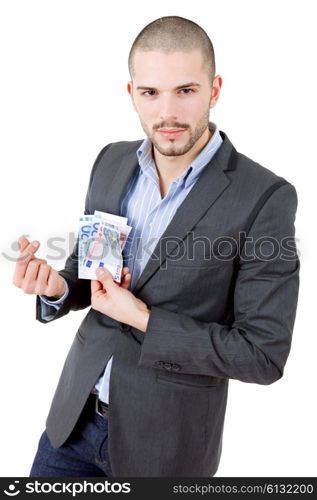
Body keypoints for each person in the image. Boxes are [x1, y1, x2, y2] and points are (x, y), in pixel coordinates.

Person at [13, 16, 300, 477]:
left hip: (165, 451)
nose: (167, 113)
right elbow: (90, 271)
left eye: (185, 90)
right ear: (132, 94)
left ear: (215, 89)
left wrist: (142, 319)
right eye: (150, 93)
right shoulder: (110, 161)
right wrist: (58, 288)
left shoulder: (264, 197)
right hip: (70, 426)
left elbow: (262, 354)